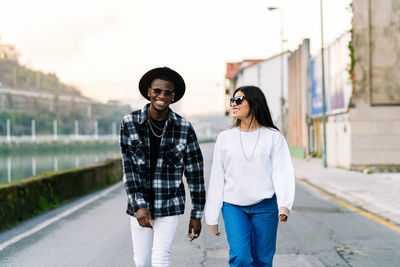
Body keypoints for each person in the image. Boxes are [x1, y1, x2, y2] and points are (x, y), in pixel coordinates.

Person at [119, 67, 206, 267]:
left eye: (167, 92)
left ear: (173, 97)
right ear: (149, 91)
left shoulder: (184, 128)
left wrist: (197, 214)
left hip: (169, 203)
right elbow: (129, 167)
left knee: (161, 257)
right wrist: (139, 204)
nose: (162, 96)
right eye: (157, 91)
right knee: (142, 262)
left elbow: (195, 173)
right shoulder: (130, 122)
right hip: (139, 205)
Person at [204, 85, 295, 267]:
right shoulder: (225, 137)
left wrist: (284, 204)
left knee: (262, 259)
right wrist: (211, 216)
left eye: (239, 100)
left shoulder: (273, 137)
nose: (234, 104)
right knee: (241, 257)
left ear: (254, 103)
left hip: (265, 206)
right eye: (232, 100)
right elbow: (217, 178)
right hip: (233, 207)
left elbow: (282, 172)